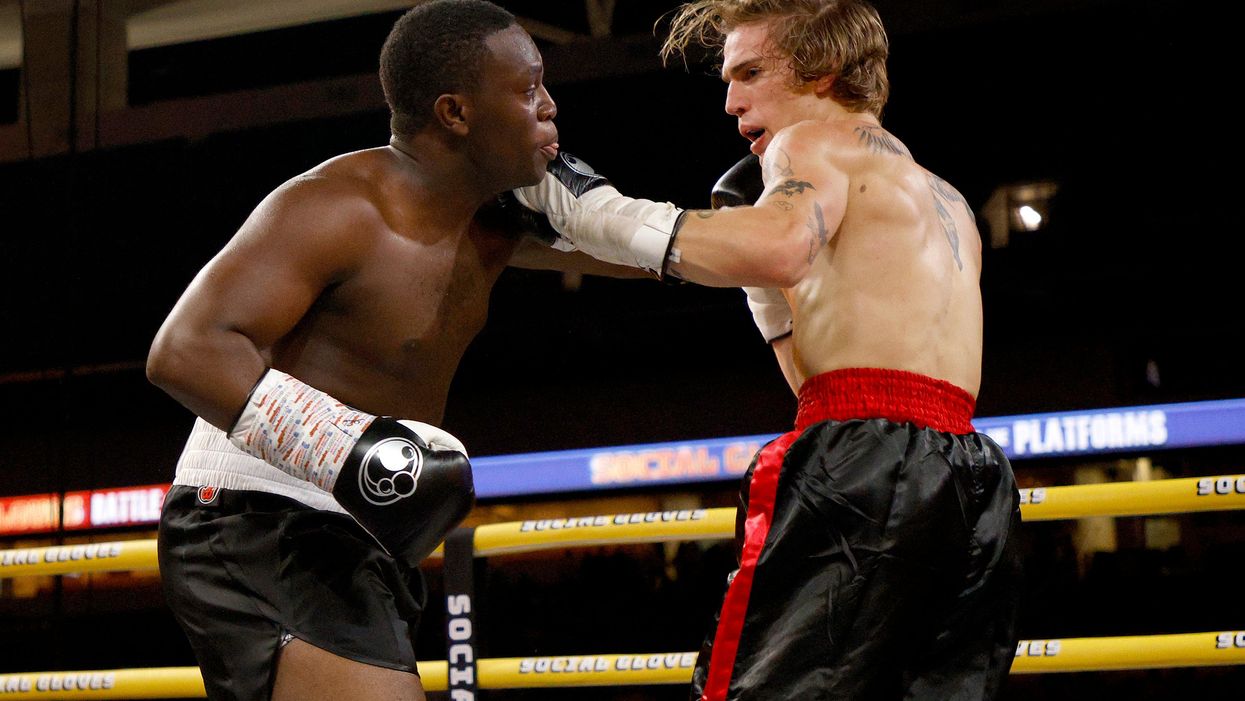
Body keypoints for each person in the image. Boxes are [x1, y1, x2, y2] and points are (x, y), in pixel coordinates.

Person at [512, 0, 1023, 699]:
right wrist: (764, 294)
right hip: (971, 476)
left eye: (750, 72)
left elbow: (781, 247)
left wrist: (592, 208)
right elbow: (819, 382)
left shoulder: (810, 142)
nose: (730, 101)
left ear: (823, 74)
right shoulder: (948, 200)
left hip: (862, 463)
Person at [145, 2, 567, 699]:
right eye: (526, 89)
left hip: (355, 530)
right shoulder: (337, 207)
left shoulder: (501, 224)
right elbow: (185, 350)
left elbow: (672, 259)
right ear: (455, 113)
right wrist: (357, 453)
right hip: (261, 514)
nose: (549, 106)